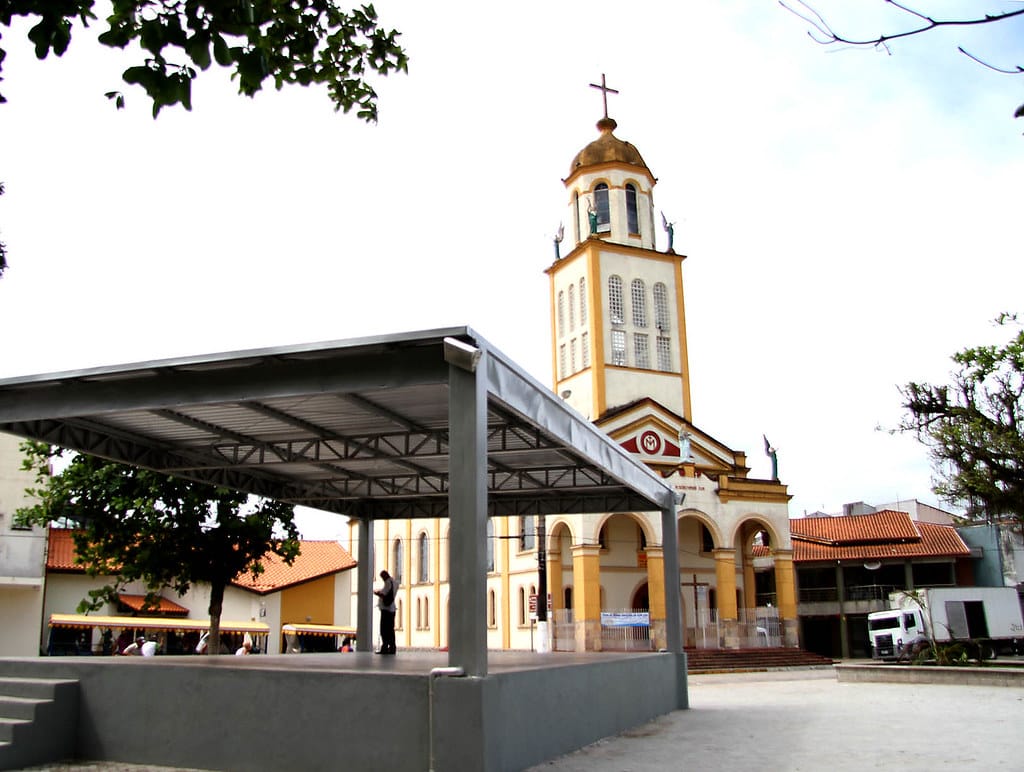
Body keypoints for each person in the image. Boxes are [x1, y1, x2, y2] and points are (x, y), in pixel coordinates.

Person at [373, 569, 397, 655]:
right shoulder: (394, 582)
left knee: (384, 630)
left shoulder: (388, 583)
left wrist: (377, 593)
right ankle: (392, 647)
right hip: (391, 609)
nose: (382, 579)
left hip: (386, 609)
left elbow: (384, 594)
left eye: (382, 577)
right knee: (390, 630)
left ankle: (385, 647)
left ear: (385, 576)